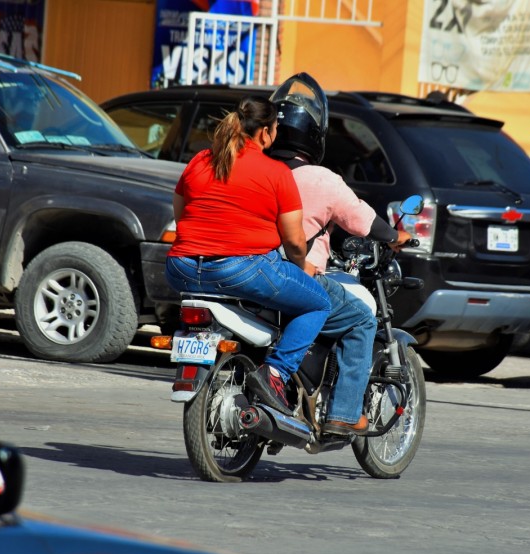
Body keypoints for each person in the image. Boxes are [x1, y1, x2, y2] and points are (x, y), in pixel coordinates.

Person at [164, 95, 332, 416]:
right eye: (275, 129)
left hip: (181, 268)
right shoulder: (276, 171)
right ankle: (275, 374)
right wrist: (300, 269)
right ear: (266, 132)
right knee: (318, 302)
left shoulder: (200, 160)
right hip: (238, 269)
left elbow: (181, 213)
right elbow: (294, 240)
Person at [270, 73, 411, 436]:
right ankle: (344, 414)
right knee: (361, 319)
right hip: (297, 276)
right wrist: (396, 236)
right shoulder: (322, 179)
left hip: (246, 270)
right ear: (316, 135)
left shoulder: (256, 169)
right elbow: (364, 221)